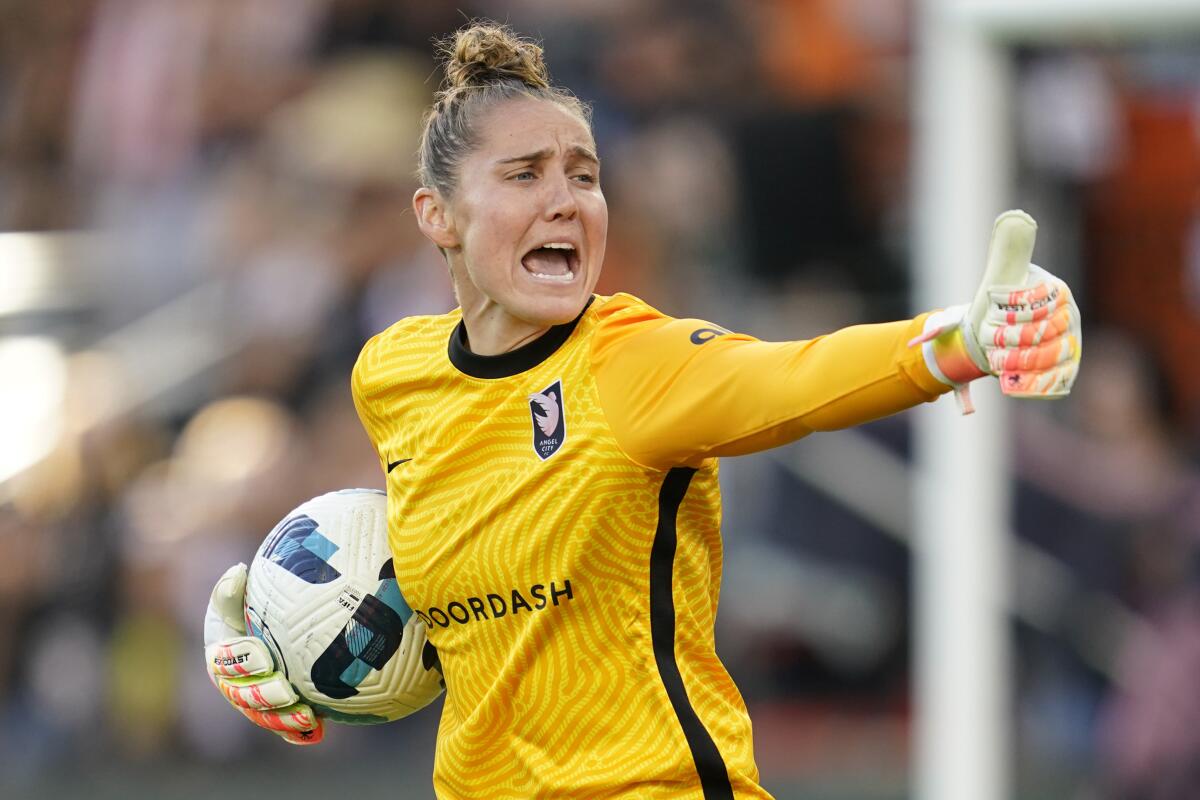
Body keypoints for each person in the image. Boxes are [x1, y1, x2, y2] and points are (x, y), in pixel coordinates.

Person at [203, 22, 1081, 800]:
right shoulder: (391, 375)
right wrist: (284, 650)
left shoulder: (633, 362)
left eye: (584, 175)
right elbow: (435, 556)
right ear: (438, 215)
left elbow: (799, 379)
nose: (566, 200)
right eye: (525, 174)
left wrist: (962, 340)